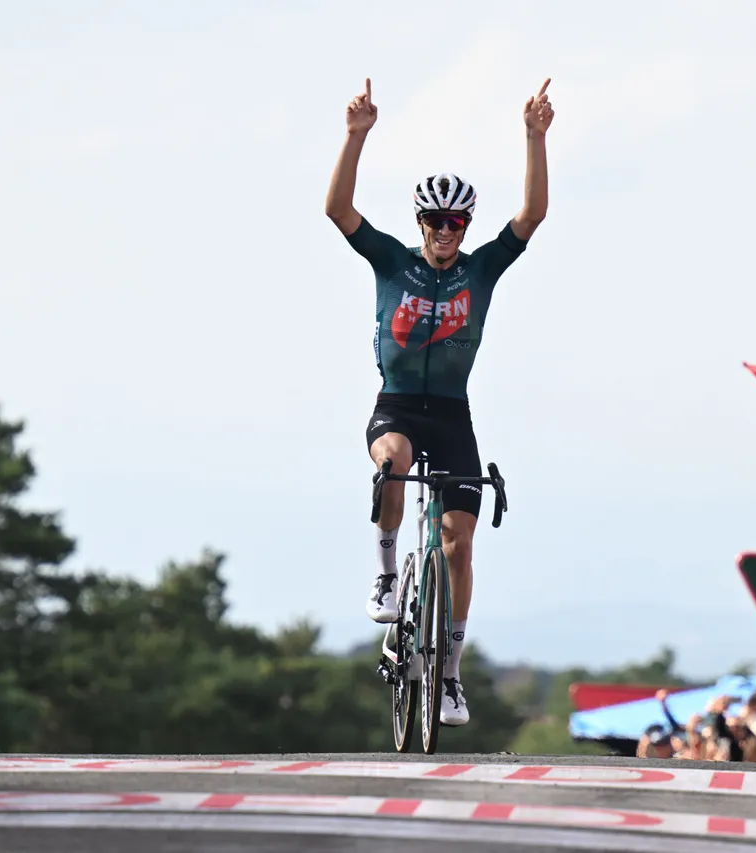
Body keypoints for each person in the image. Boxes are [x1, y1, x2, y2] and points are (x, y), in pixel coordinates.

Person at [324, 77, 554, 726]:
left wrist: (534, 139)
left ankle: (449, 676)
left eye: (456, 222)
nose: (446, 231)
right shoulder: (392, 262)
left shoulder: (480, 270)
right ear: (420, 222)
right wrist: (355, 136)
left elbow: (531, 217)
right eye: (435, 220)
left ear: (466, 225)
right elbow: (339, 210)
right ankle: (384, 574)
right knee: (391, 461)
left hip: (453, 414)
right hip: (396, 404)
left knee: (459, 546)